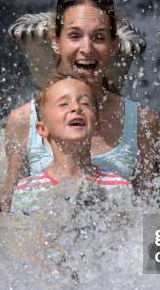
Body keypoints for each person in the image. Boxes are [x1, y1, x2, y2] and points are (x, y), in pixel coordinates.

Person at [3, 0, 159, 212]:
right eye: (75, 36)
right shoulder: (22, 120)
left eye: (98, 37)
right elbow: (9, 211)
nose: (87, 49)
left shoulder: (143, 122)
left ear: (114, 45)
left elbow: (147, 209)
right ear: (56, 42)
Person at [11, 72, 132, 215]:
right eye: (64, 104)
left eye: (85, 103)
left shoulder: (119, 186)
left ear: (97, 127)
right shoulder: (27, 190)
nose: (76, 108)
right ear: (42, 129)